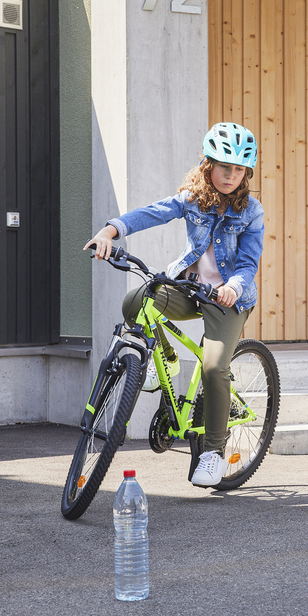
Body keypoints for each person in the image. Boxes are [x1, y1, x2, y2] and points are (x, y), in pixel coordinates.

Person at [83, 123, 263, 488]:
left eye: (239, 169)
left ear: (247, 173)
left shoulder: (251, 211)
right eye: (223, 166)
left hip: (229, 299)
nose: (230, 175)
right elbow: (151, 213)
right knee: (137, 300)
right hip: (189, 288)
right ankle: (161, 358)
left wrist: (233, 286)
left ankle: (212, 451)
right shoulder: (192, 199)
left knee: (214, 368)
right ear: (207, 164)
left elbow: (248, 263)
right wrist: (109, 231)